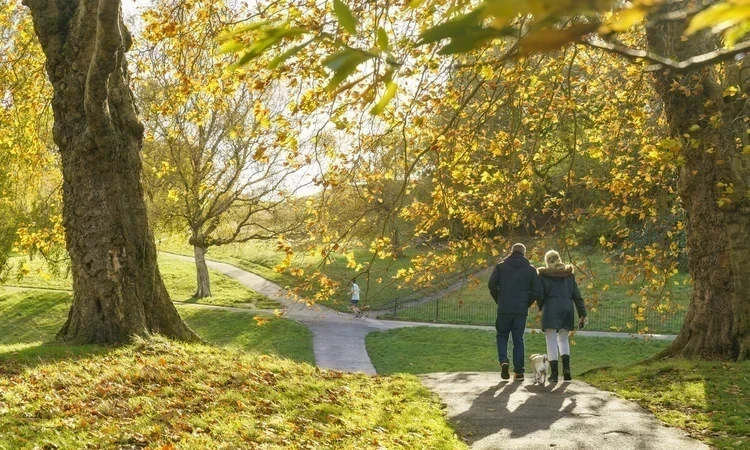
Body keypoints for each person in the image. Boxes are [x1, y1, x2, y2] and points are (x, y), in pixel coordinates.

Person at [488, 243, 542, 381]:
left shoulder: (501, 266)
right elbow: (536, 290)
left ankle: (504, 360)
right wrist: (526, 303)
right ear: (524, 253)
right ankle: (519, 372)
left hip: (504, 308)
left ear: (511, 252)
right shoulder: (530, 270)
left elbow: (492, 285)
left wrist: (499, 299)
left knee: (501, 336)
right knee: (518, 339)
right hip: (520, 310)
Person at [537, 250, 587, 382]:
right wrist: (582, 314)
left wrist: (540, 307)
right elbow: (577, 296)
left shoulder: (543, 275)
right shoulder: (569, 275)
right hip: (567, 308)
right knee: (563, 339)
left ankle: (554, 374)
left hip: (550, 308)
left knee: (551, 341)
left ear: (547, 261)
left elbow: (541, 295)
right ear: (559, 259)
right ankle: (566, 370)